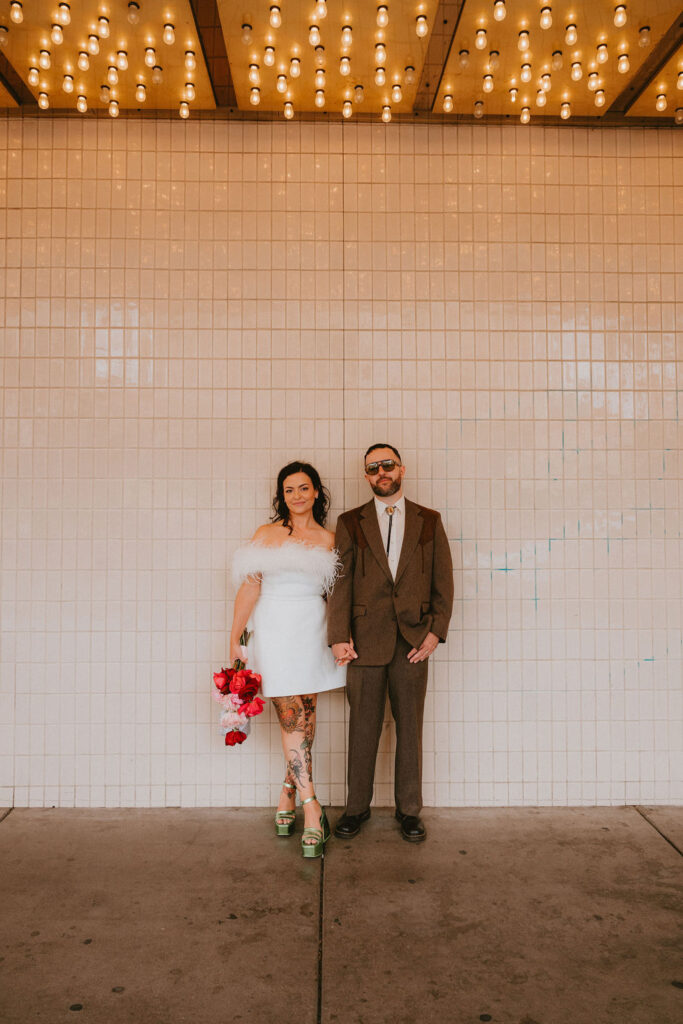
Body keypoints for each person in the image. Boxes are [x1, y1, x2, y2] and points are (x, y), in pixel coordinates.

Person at [328, 444, 454, 843]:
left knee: (410, 728)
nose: (381, 472)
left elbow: (443, 582)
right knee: (362, 728)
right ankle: (356, 808)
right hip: (364, 642)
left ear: (401, 468)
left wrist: (435, 631)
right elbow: (340, 583)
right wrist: (337, 637)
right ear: (366, 476)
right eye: (373, 468)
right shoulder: (350, 522)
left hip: (414, 640)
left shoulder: (429, 521)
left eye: (387, 465)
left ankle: (409, 811)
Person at [229, 461, 345, 858]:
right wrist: (236, 642)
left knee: (306, 714)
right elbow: (249, 590)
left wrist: (339, 639)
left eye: (304, 488)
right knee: (291, 715)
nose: (297, 495)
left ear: (316, 493)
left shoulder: (330, 540)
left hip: (312, 632)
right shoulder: (267, 534)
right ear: (282, 496)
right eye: (289, 489)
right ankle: (313, 808)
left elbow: (334, 598)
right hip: (274, 632)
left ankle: (288, 790)